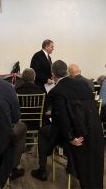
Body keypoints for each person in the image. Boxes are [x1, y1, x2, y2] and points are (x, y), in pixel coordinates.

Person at [31, 60, 104, 188]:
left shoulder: (56, 91)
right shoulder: (84, 85)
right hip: (93, 133)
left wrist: (71, 138)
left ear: (53, 74)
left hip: (75, 136)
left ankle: (42, 169)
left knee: (43, 131)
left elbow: (62, 117)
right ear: (66, 71)